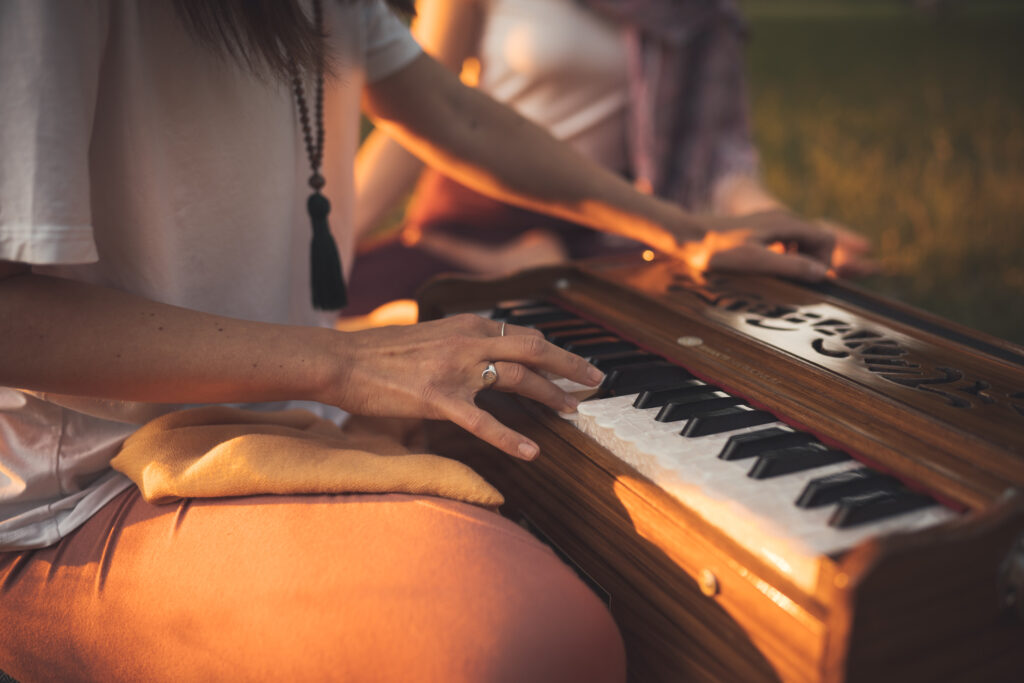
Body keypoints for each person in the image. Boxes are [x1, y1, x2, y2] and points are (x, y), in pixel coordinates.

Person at [0, 1, 840, 680]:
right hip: (75, 498)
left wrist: (681, 230)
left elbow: (448, 111)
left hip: (279, 416)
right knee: (529, 637)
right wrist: (346, 361)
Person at [347, 0, 872, 316]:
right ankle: (509, 267)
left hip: (602, 223)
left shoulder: (692, 11)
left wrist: (789, 235)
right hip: (469, 221)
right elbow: (425, 111)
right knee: (356, 316)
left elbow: (713, 160)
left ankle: (533, 266)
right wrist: (328, 244)